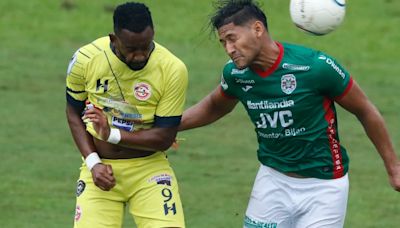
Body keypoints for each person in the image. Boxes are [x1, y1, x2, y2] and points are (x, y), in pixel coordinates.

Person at [178, 0, 400, 227]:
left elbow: (365, 111)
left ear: (257, 29)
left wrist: (394, 168)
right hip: (272, 181)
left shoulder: (315, 67)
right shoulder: (236, 74)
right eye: (223, 42)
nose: (229, 49)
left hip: (324, 188)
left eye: (232, 38)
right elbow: (214, 106)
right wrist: (169, 125)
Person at [65, 2, 187, 228]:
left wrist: (111, 134)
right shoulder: (86, 60)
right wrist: (93, 164)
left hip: (150, 169)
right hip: (99, 170)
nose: (140, 56)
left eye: (145, 46)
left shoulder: (172, 69)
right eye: (131, 49)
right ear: (114, 39)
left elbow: (164, 138)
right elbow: (73, 112)